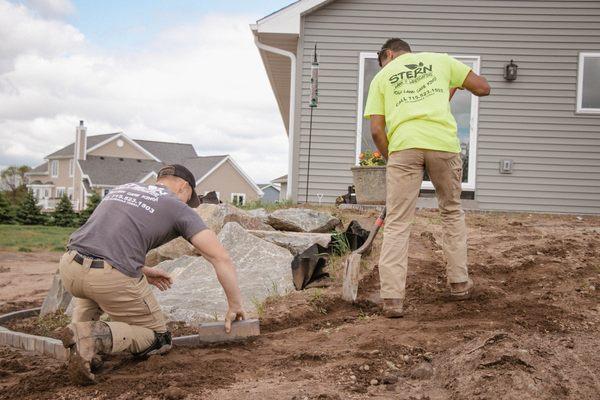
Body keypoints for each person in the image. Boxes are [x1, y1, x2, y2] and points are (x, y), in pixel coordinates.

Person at [56, 164, 245, 384]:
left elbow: (104, 239)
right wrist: (235, 304)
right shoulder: (177, 206)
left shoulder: (123, 189)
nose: (188, 206)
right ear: (184, 187)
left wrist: (140, 269)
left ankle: (78, 349)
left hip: (70, 266)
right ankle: (90, 339)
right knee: (158, 338)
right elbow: (220, 257)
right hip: (108, 278)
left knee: (91, 292)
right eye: (189, 200)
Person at [364, 38, 491, 318]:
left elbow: (376, 130)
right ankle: (459, 283)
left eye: (383, 61)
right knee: (451, 211)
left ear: (389, 54)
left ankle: (392, 299)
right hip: (443, 144)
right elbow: (483, 87)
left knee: (397, 221)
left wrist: (392, 157)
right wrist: (455, 82)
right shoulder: (442, 61)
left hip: (404, 147)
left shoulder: (382, 77)